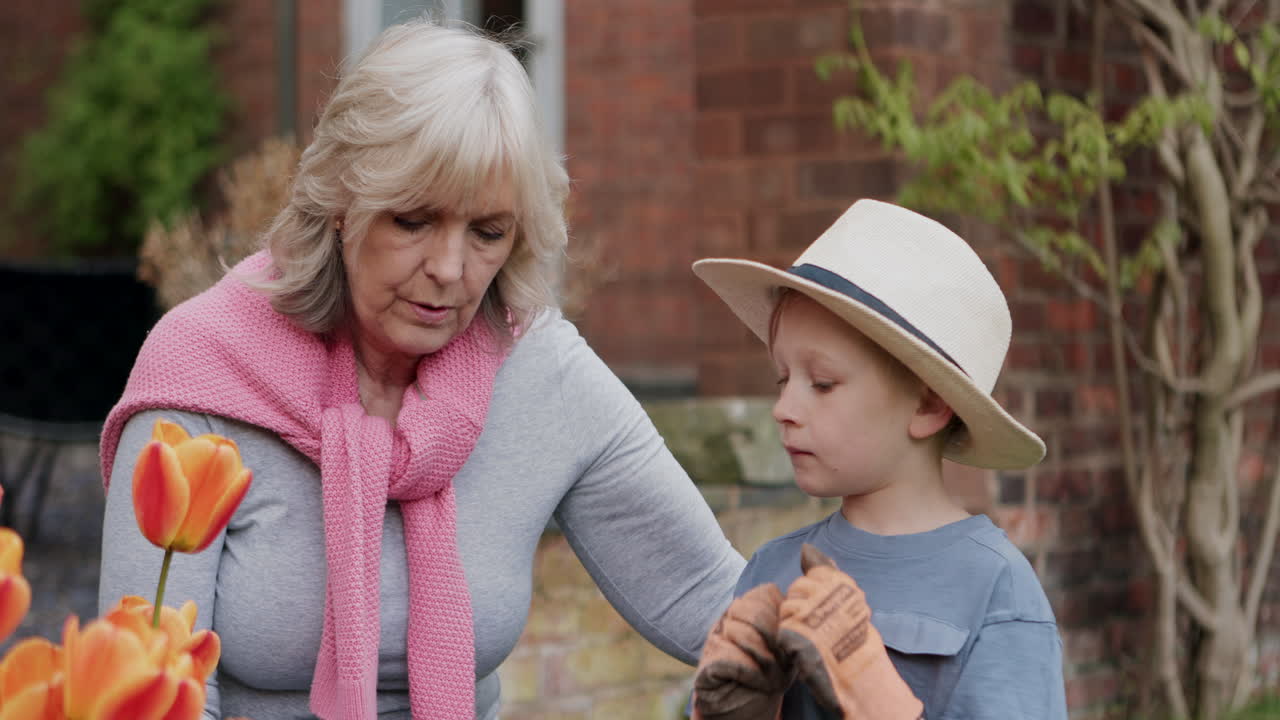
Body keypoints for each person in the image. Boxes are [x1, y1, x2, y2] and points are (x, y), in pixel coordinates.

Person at [97, 19, 743, 720]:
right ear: (343, 204)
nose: (449, 270)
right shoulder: (203, 374)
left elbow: (718, 604)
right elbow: (147, 692)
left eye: (488, 233)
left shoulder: (540, 374)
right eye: (412, 221)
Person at [688, 199, 1068, 719]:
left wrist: (879, 700)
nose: (783, 407)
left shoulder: (994, 590)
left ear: (929, 403)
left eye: (822, 383)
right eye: (783, 379)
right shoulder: (769, 570)